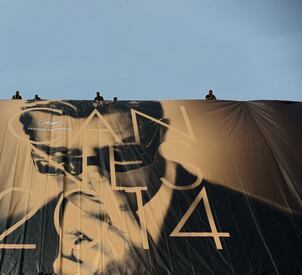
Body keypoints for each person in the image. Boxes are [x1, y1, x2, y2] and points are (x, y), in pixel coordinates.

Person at [17, 100, 302, 274]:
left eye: (122, 156)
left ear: (161, 132)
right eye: (62, 160)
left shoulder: (283, 240)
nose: (95, 181)